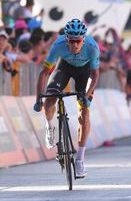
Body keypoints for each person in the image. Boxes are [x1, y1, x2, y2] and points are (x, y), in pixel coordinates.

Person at [33, 19, 100, 178]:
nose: (75, 45)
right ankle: (50, 127)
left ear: (83, 39)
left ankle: (80, 160)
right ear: (66, 39)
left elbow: (95, 75)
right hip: (64, 68)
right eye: (71, 41)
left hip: (84, 72)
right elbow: (44, 72)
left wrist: (87, 94)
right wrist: (38, 98)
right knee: (49, 100)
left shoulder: (92, 47)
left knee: (84, 113)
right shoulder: (58, 45)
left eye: (78, 41)